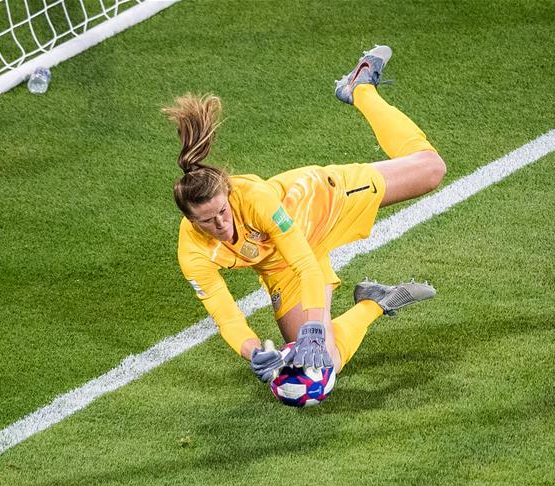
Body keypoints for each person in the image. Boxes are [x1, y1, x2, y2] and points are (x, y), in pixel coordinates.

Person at [163, 45, 445, 384]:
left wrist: (312, 326)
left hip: (327, 203)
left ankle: (360, 89)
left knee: (431, 169)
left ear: (228, 195)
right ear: (191, 221)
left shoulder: (254, 198)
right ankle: (375, 302)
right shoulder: (192, 252)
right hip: (281, 265)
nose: (221, 223)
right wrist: (253, 351)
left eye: (223, 211)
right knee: (321, 367)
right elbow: (226, 316)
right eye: (208, 220)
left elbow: (306, 264)